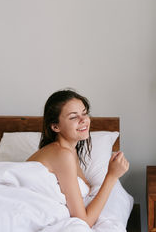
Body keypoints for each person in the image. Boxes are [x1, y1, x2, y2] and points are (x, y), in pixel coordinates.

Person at [27, 89, 129, 228]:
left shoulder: (70, 151)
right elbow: (83, 222)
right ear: (55, 126)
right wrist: (111, 176)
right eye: (74, 117)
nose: (83, 120)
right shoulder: (62, 154)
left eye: (84, 113)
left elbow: (86, 187)